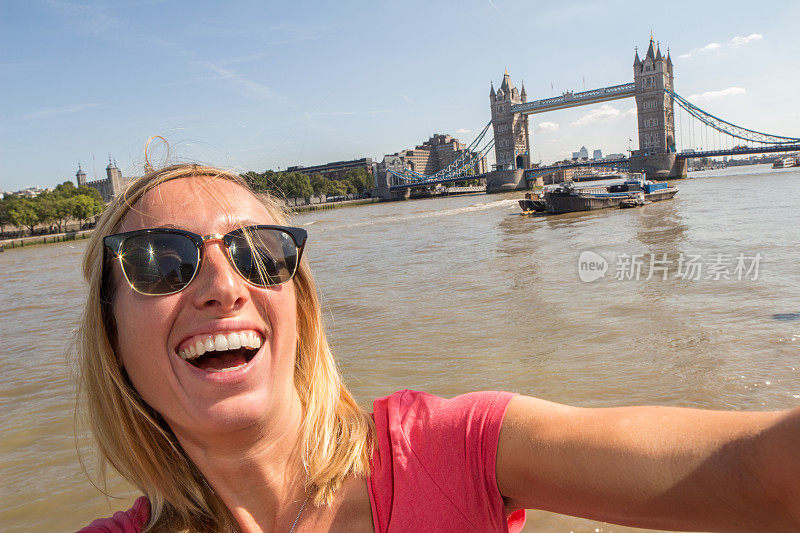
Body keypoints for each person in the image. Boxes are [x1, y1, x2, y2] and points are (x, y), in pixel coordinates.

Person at [77, 163, 799, 533]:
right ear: (112, 335)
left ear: (299, 303)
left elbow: (755, 471)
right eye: (159, 260)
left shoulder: (452, 451)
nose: (222, 284)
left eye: (260, 253)